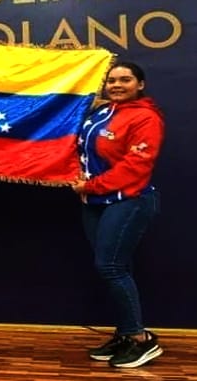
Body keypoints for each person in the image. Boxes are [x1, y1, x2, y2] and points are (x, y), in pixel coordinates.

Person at [71, 61, 165, 368]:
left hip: (129, 200)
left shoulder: (146, 117)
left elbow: (136, 166)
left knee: (110, 266)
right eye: (111, 80)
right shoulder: (102, 112)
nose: (117, 85)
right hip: (95, 202)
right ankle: (125, 334)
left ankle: (140, 339)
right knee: (117, 266)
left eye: (125, 80)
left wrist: (92, 185)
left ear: (140, 84)